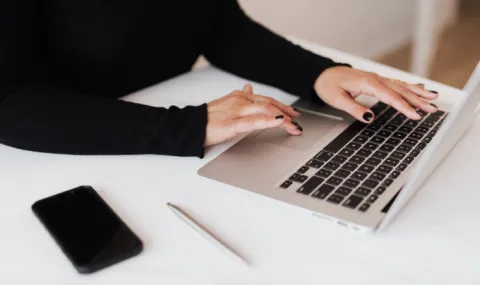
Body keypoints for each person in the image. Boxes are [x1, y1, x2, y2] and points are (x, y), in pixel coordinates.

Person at [0, 0, 438, 158]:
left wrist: (320, 73)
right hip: (59, 149)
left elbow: (216, 24)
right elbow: (8, 104)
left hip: (166, 135)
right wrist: (190, 126)